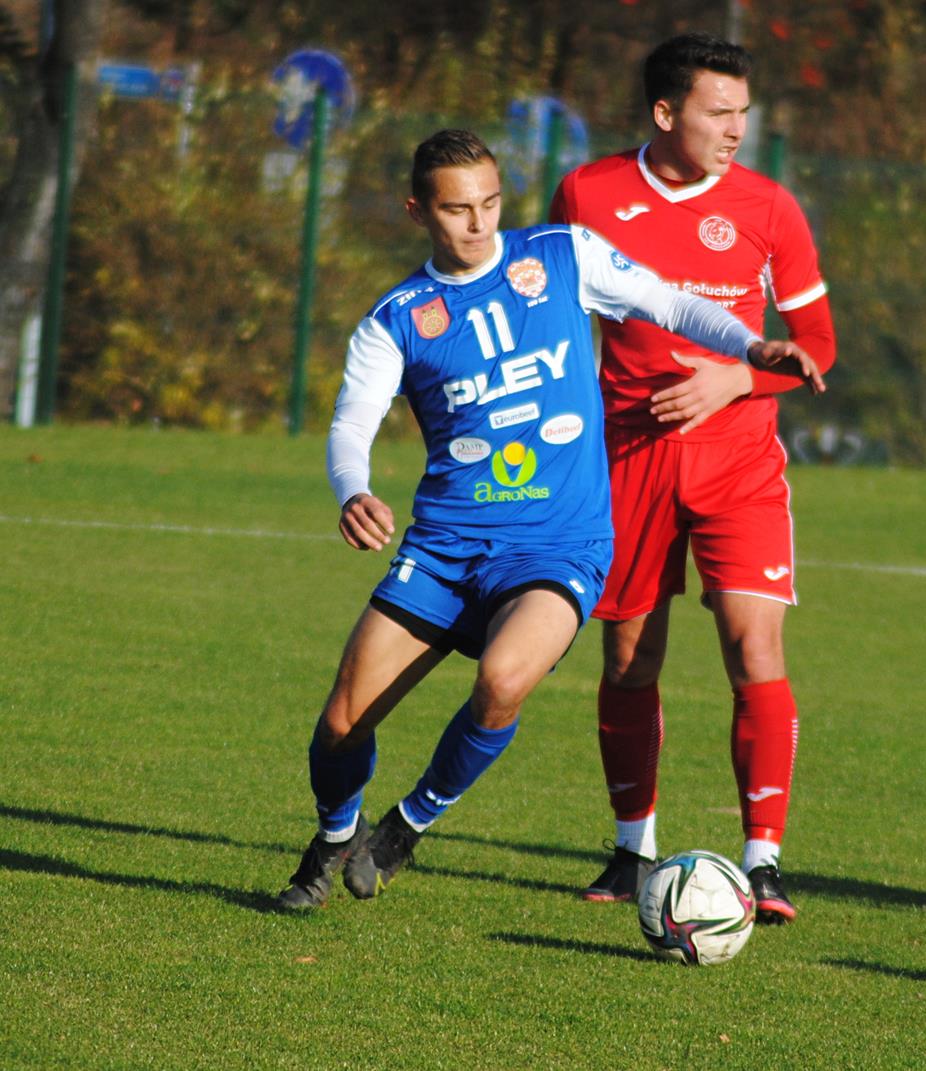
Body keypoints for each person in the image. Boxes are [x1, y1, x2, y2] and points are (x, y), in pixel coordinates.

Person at [275, 128, 822, 911]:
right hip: (443, 548)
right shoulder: (398, 316)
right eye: (457, 209)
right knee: (339, 724)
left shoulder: (564, 255)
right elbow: (350, 423)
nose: (478, 223)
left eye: (491, 203)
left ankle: (407, 826)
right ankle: (333, 837)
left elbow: (670, 301)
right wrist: (353, 489)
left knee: (501, 681)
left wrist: (750, 344)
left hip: (558, 545)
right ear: (417, 211)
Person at [548, 31, 837, 924]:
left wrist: (736, 376)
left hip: (742, 462)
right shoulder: (588, 193)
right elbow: (553, 314)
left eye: (744, 112)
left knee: (755, 647)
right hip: (626, 458)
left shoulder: (770, 208)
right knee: (630, 658)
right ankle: (634, 848)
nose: (737, 129)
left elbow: (818, 349)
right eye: (720, 111)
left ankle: (765, 861)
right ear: (666, 112)